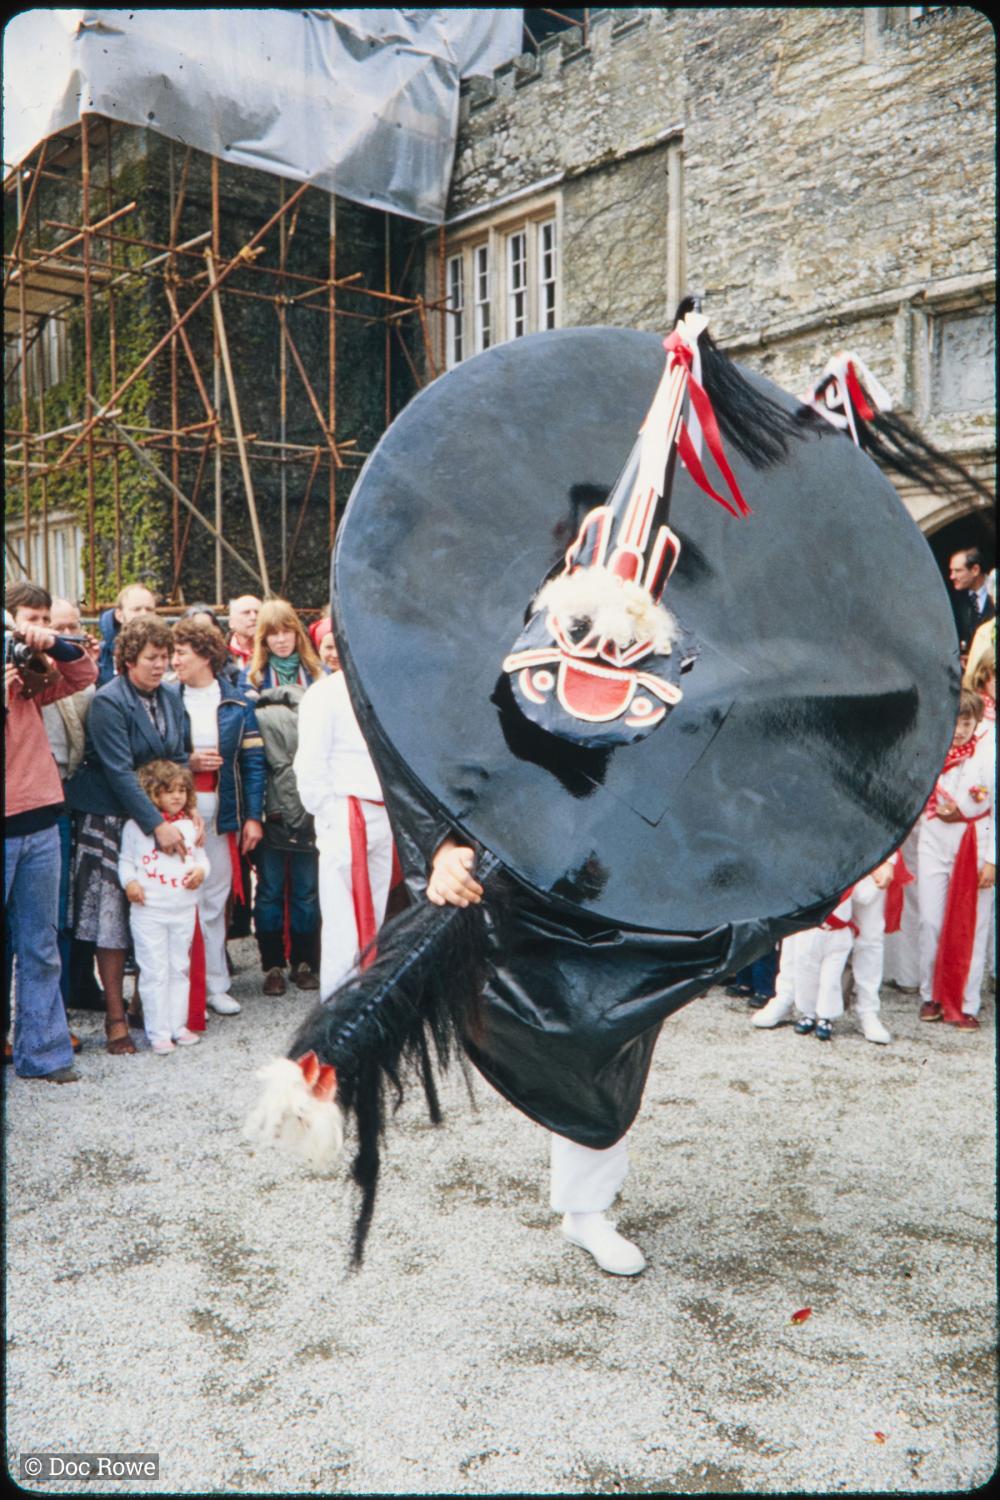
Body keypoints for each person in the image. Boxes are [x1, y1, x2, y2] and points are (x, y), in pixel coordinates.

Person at [65, 616, 191, 1055]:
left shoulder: (172, 695)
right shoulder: (109, 701)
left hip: (158, 814)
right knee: (113, 920)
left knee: (156, 909)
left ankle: (149, 1006)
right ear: (128, 660)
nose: (161, 666)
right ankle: (115, 1017)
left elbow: (178, 754)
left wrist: (178, 811)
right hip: (110, 818)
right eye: (152, 659)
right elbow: (118, 771)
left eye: (165, 657)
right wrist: (156, 824)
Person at [5, 581, 98, 1082]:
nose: (38, 627)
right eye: (31, 618)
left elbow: (84, 670)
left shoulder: (29, 679)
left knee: (41, 945)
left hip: (41, 818)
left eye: (46, 618)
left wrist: (44, 642)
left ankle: (42, 1053)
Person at [171, 618, 265, 1016]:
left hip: (222, 814)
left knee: (214, 900)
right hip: (176, 813)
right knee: (178, 900)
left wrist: (253, 817)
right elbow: (152, 754)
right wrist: (185, 761)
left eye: (181, 653)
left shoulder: (239, 702)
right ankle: (181, 990)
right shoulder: (165, 697)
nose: (173, 661)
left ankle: (215, 985)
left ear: (206, 656)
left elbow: (255, 763)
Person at [293, 655, 394, 998]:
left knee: (375, 911)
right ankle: (338, 1003)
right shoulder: (325, 694)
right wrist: (330, 814)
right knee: (342, 920)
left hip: (383, 812)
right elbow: (309, 763)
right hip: (347, 810)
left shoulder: (384, 686)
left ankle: (364, 995)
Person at [240, 600, 323, 994]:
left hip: (310, 799)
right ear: (263, 639)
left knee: (307, 890)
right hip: (270, 799)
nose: (281, 639)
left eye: (287, 630)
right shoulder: (250, 679)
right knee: (270, 888)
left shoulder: (318, 676)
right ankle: (272, 965)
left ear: (297, 632)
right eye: (272, 633)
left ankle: (305, 961)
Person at [917, 689, 995, 1030]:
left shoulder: (988, 753)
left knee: (972, 925)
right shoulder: (930, 751)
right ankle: (930, 993)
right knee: (931, 921)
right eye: (954, 722)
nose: (960, 730)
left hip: (974, 841)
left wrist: (993, 859)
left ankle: (965, 1001)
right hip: (933, 841)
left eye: (967, 722)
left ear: (977, 723)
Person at [119, 761, 209, 1053]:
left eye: (182, 790)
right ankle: (157, 1030)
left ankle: (177, 1024)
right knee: (154, 969)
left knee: (179, 968)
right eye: (168, 791)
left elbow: (201, 858)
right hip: (149, 911)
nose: (176, 796)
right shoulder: (136, 827)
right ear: (151, 793)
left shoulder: (189, 826)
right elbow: (126, 861)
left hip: (182, 909)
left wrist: (201, 872)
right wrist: (130, 883)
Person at [41, 598, 101, 1022]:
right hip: (46, 795)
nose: (67, 634)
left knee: (84, 899)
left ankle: (79, 984)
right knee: (56, 908)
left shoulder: (79, 673)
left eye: (72, 626)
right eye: (57, 626)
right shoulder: (35, 676)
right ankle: (53, 1005)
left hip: (77, 791)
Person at [96, 582, 158, 687]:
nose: (144, 614)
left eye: (149, 609)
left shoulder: (166, 652)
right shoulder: (100, 654)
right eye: (136, 609)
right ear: (119, 615)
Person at [948, 548, 995, 653]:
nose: (952, 576)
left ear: (975, 570)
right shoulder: (957, 601)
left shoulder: (995, 590)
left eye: (958, 571)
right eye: (951, 571)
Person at [228, 595, 262, 671]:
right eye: (246, 613)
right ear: (231, 622)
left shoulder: (273, 652)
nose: (253, 617)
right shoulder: (219, 654)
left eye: (257, 612)